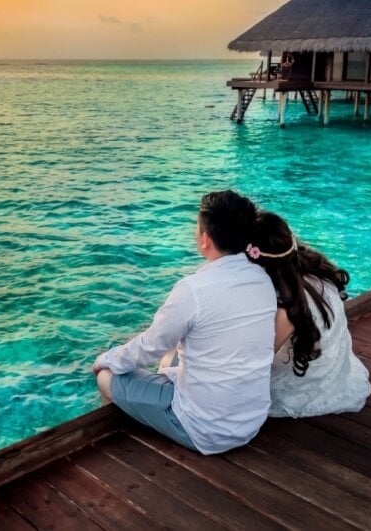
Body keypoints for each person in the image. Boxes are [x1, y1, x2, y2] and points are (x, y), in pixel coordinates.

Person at [92, 190, 278, 455]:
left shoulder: (193, 289)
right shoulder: (262, 279)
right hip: (250, 420)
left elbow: (148, 347)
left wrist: (106, 358)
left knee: (107, 376)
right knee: (174, 351)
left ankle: (113, 448)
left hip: (205, 430)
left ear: (205, 239)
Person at [249, 209, 371, 418]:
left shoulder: (287, 305)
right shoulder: (317, 275)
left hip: (302, 390)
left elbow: (260, 362)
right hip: (332, 371)